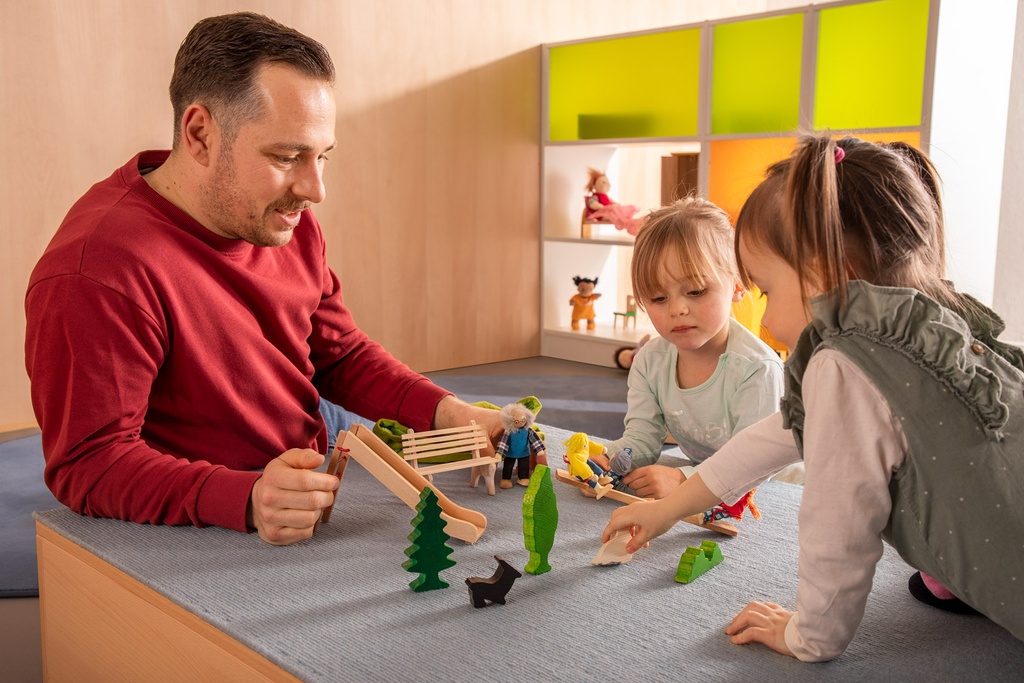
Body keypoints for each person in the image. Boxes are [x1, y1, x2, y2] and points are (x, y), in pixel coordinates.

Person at [24, 12, 503, 547]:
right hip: (213, 510)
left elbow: (337, 353)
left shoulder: (281, 216)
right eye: (285, 156)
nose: (315, 188)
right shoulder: (97, 270)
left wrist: (448, 413)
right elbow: (88, 464)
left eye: (322, 157)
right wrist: (245, 498)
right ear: (201, 134)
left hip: (305, 463)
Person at [602, 133, 1024, 661]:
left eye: (766, 291)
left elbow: (837, 528)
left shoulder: (845, 363)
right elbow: (772, 438)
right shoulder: (922, 322)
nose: (769, 317)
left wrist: (809, 634)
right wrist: (670, 509)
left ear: (831, 273)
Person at [591, 196, 784, 501]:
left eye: (695, 291)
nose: (677, 309)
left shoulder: (757, 369)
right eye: (658, 298)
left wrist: (683, 478)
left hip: (776, 489)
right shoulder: (649, 362)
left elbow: (753, 466)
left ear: (737, 284)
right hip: (709, 478)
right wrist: (612, 459)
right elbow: (642, 439)